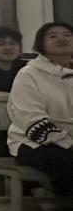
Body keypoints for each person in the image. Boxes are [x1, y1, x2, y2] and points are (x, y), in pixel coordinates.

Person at [7, 22, 73, 195]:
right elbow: (31, 120)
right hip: (34, 141)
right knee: (66, 160)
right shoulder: (28, 74)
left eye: (67, 35)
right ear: (40, 44)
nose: (61, 38)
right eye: (53, 36)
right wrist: (67, 143)